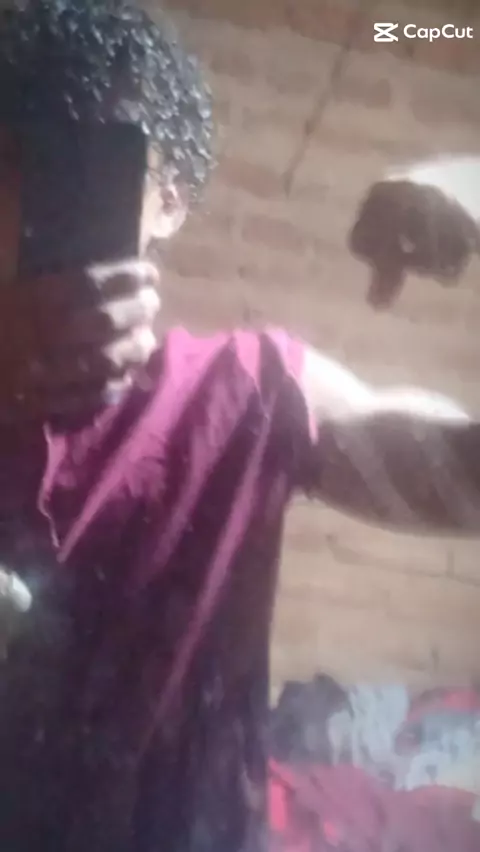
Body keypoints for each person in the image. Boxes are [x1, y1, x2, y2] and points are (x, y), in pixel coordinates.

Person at [0, 2, 478, 851]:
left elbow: (464, 481)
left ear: (171, 198)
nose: (34, 192)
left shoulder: (250, 390)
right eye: (18, 154)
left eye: (92, 155)